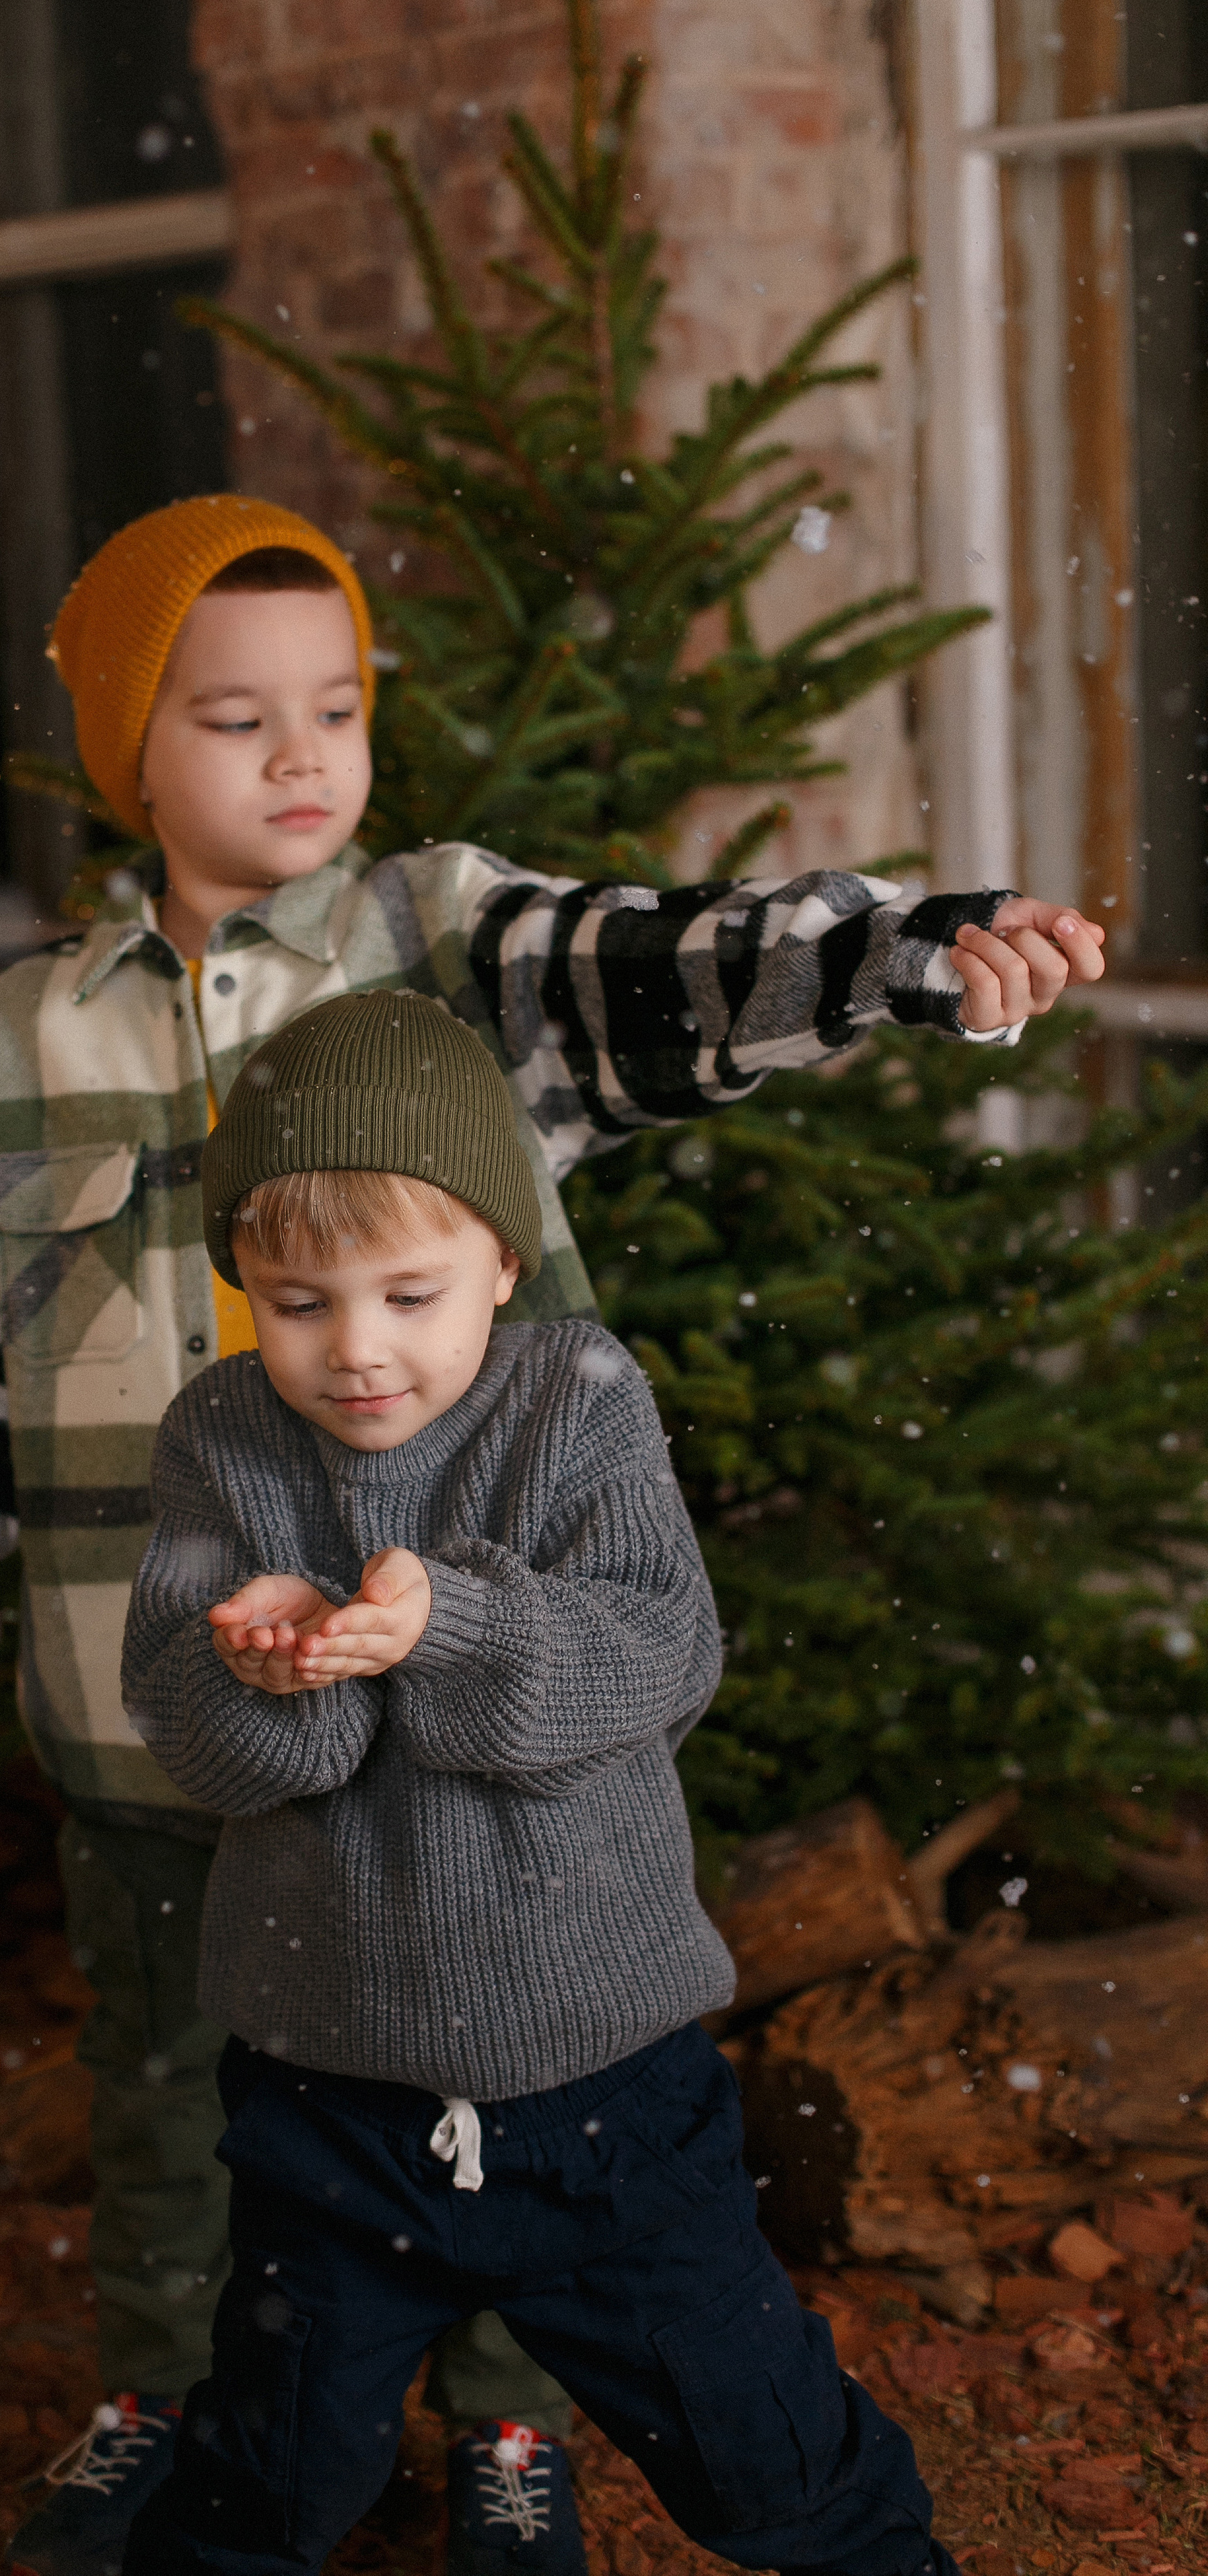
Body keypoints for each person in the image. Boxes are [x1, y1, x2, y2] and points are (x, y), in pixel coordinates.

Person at [0, 491, 1105, 2576]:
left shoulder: (449, 947)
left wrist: (908, 953)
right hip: (141, 1699)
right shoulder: (20, 1040)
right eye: (234, 720)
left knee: (516, 2077)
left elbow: (672, 966)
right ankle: (169, 2394)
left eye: (333, 708)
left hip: (479, 1722)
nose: (303, 757)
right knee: (178, 2094)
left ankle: (516, 2429)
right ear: (130, 748)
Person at [118, 987, 964, 2576]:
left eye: (408, 1293)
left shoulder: (572, 1396)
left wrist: (451, 1625)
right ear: (241, 1282)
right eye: (296, 1303)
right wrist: (270, 1676)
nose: (354, 1351)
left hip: (605, 2092)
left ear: (503, 1263)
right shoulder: (219, 1438)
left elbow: (659, 1657)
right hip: (327, 2091)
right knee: (264, 2466)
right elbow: (196, 1733)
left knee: (761, 2445)